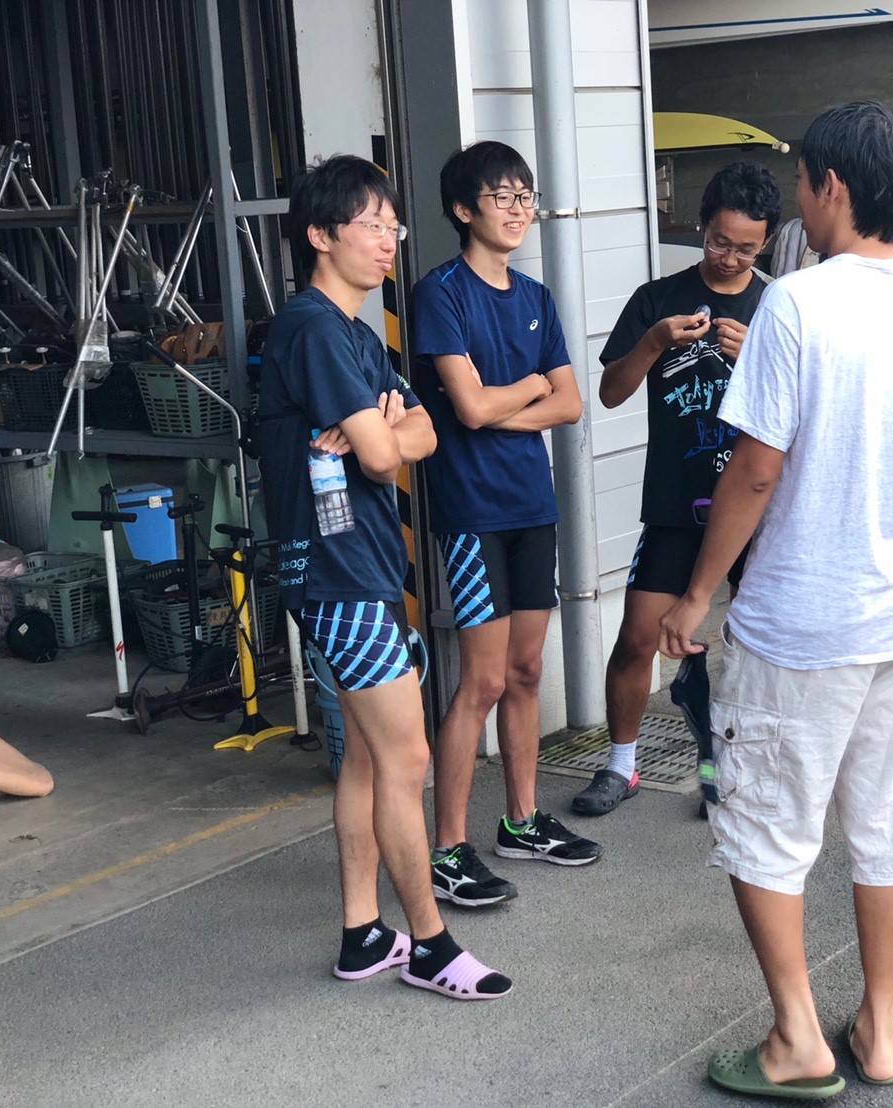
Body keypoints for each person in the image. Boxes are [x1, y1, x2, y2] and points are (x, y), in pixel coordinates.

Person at [659, 102, 893, 1098]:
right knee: (890, 825)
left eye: (803, 182)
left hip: (798, 617)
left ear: (832, 186)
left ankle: (798, 1039)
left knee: (768, 824)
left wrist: (696, 593)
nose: (800, 200)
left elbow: (756, 470)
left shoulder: (796, 305)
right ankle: (879, 1032)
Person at [256, 155, 510, 1000]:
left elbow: (422, 435)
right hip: (337, 573)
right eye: (370, 224)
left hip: (362, 566)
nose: (388, 240)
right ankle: (431, 945)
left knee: (368, 759)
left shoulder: (358, 335)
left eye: (392, 226)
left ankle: (363, 935)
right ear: (320, 235)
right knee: (407, 758)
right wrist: (384, 437)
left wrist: (387, 434)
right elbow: (378, 453)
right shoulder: (313, 328)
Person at [412, 140, 598, 911]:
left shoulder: (536, 296)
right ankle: (446, 850)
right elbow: (468, 408)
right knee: (482, 681)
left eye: (526, 195)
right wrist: (524, 389)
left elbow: (571, 403)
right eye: (503, 196)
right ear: (464, 209)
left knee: (525, 673)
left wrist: (501, 401)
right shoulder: (440, 294)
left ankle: (521, 821)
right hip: (472, 513)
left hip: (532, 507)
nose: (519, 209)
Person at [570, 162, 782, 817]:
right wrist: (654, 342)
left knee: (757, 648)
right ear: (701, 227)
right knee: (638, 636)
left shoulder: (780, 306)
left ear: (767, 243)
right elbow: (610, 393)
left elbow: (811, 409)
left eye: (746, 249)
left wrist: (757, 358)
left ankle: (738, 769)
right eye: (720, 242)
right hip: (675, 500)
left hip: (758, 507)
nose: (730, 258)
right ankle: (621, 765)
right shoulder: (657, 298)